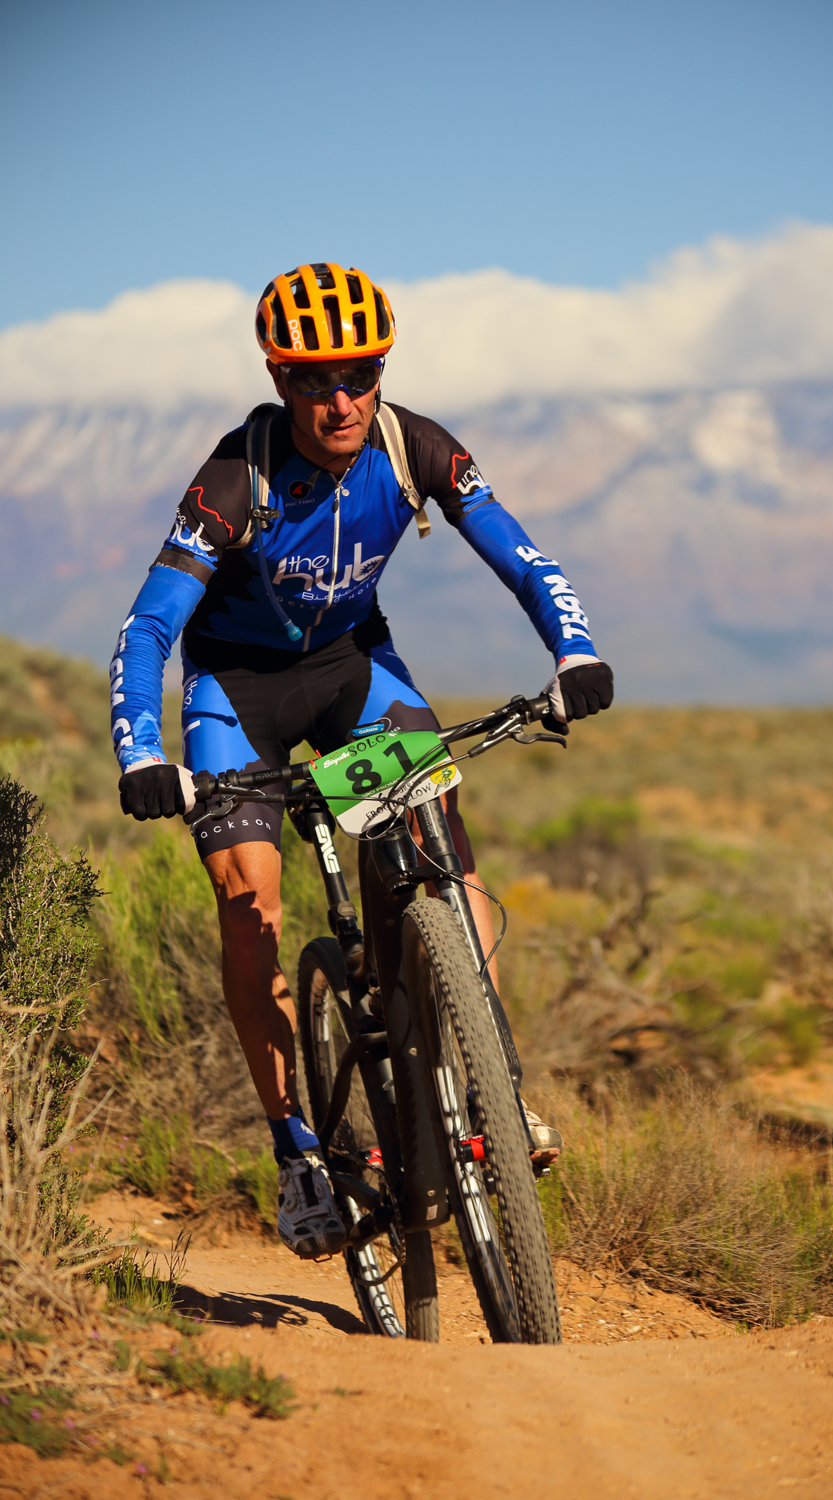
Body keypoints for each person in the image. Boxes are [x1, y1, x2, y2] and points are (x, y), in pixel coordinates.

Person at [111, 262, 614, 1260]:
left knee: (442, 853)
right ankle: (297, 1150)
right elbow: (149, 626)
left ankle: (493, 1087)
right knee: (249, 900)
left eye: (360, 374)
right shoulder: (235, 478)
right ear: (278, 377)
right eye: (314, 380)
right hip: (238, 693)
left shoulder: (412, 445)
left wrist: (575, 651)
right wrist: (142, 750)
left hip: (353, 670)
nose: (340, 400)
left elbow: (522, 555)